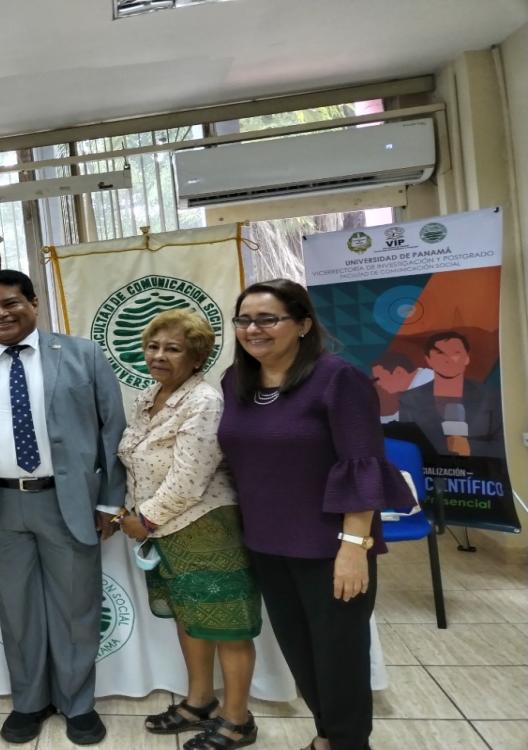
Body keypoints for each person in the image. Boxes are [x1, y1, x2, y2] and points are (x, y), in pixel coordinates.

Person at [0, 269, 126, 746]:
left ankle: (78, 705)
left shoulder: (83, 355)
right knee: (17, 612)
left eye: (11, 303)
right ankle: (30, 702)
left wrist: (110, 502)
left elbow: (113, 433)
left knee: (77, 608)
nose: (0, 314)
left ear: (34, 303)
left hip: (69, 504)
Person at [217, 279, 413, 750]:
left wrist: (354, 548)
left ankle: (348, 743)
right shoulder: (235, 382)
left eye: (268, 318)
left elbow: (361, 465)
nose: (253, 329)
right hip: (266, 542)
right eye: (244, 320)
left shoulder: (337, 378)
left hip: (330, 546)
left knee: (339, 659)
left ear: (303, 324)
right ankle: (327, 737)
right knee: (301, 655)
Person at [116, 309, 261, 750]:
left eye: (172, 349)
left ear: (196, 357)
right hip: (166, 531)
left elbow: (189, 477)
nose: (158, 356)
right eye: (153, 346)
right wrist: (128, 513)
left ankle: (237, 719)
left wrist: (144, 520)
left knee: (228, 626)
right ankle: (199, 702)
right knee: (191, 620)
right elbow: (137, 460)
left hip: (205, 527)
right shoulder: (149, 396)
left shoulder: (203, 401)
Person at [397, 331, 505, 457]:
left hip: (482, 473)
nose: (448, 359)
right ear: (428, 360)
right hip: (430, 472)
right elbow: (406, 444)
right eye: (440, 353)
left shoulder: (490, 396)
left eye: (456, 353)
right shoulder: (410, 400)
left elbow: (506, 444)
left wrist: (471, 448)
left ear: (466, 358)